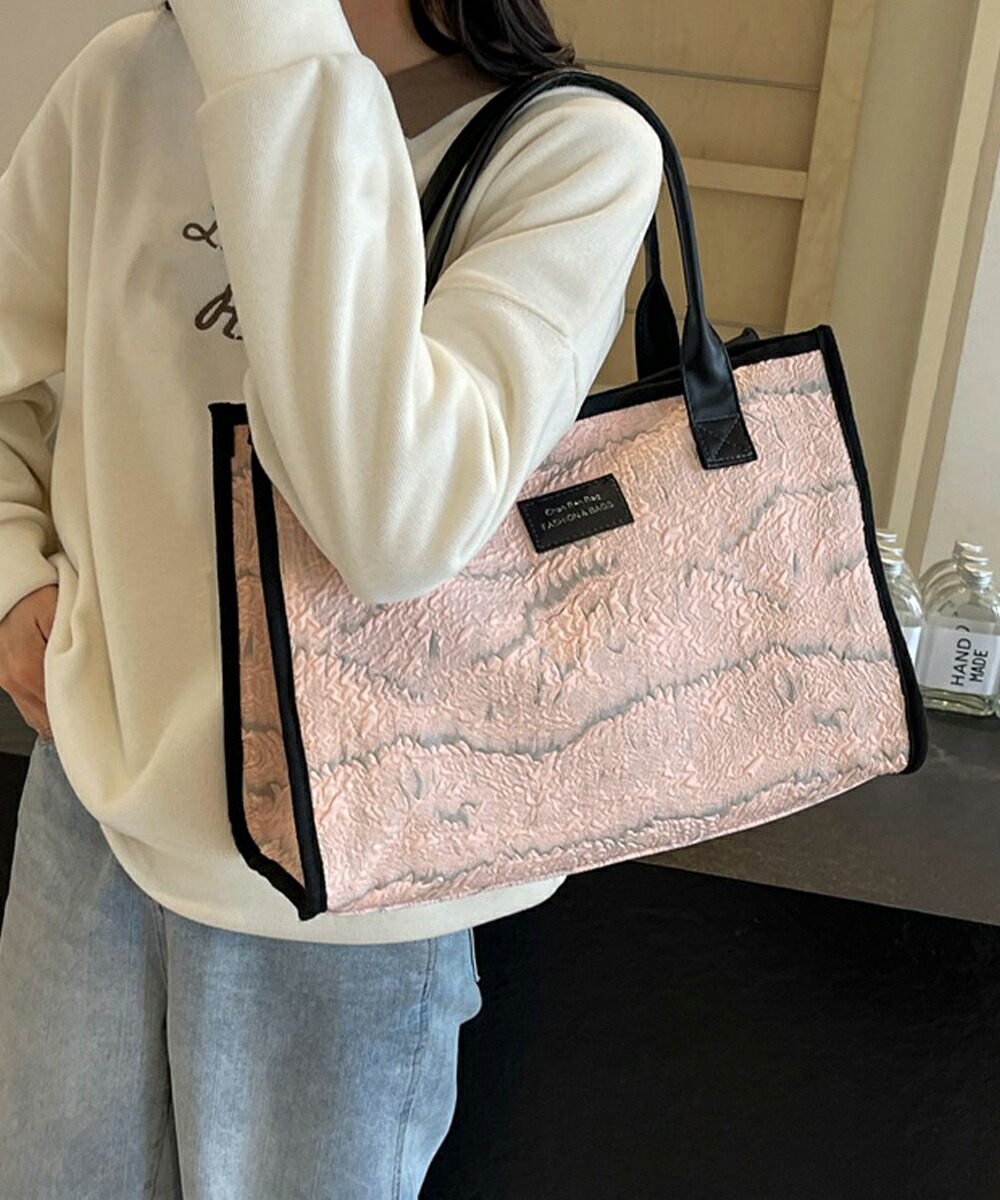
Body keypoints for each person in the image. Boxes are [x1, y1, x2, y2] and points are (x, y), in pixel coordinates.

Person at [0, 0, 663, 1194]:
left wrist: (270, 47)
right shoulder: (131, 79)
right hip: (93, 803)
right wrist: (9, 572)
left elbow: (391, 527)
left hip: (359, 884)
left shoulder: (573, 150)